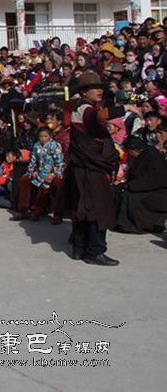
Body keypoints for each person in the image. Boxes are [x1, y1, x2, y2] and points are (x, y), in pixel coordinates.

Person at [57, 71, 139, 265]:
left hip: (83, 167)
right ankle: (95, 251)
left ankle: (79, 248)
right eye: (94, 88)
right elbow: (99, 116)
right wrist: (125, 107)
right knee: (97, 209)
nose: (99, 91)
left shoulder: (81, 107)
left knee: (83, 207)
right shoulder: (85, 109)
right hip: (90, 169)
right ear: (84, 92)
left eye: (100, 87)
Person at [114, 134, 167, 233]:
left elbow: (153, 178)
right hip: (146, 187)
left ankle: (133, 225)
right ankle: (119, 222)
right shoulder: (143, 156)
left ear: (134, 149)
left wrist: (131, 185)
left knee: (129, 195)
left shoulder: (152, 155)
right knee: (118, 190)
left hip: (158, 191)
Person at [12, 127, 64, 221]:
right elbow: (33, 161)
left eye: (45, 136)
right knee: (25, 179)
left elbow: (59, 162)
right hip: (40, 172)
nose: (43, 139)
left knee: (57, 182)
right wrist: (32, 171)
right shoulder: (36, 146)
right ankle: (23, 210)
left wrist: (54, 174)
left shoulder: (55, 145)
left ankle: (57, 214)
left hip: (52, 172)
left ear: (50, 136)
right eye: (41, 136)